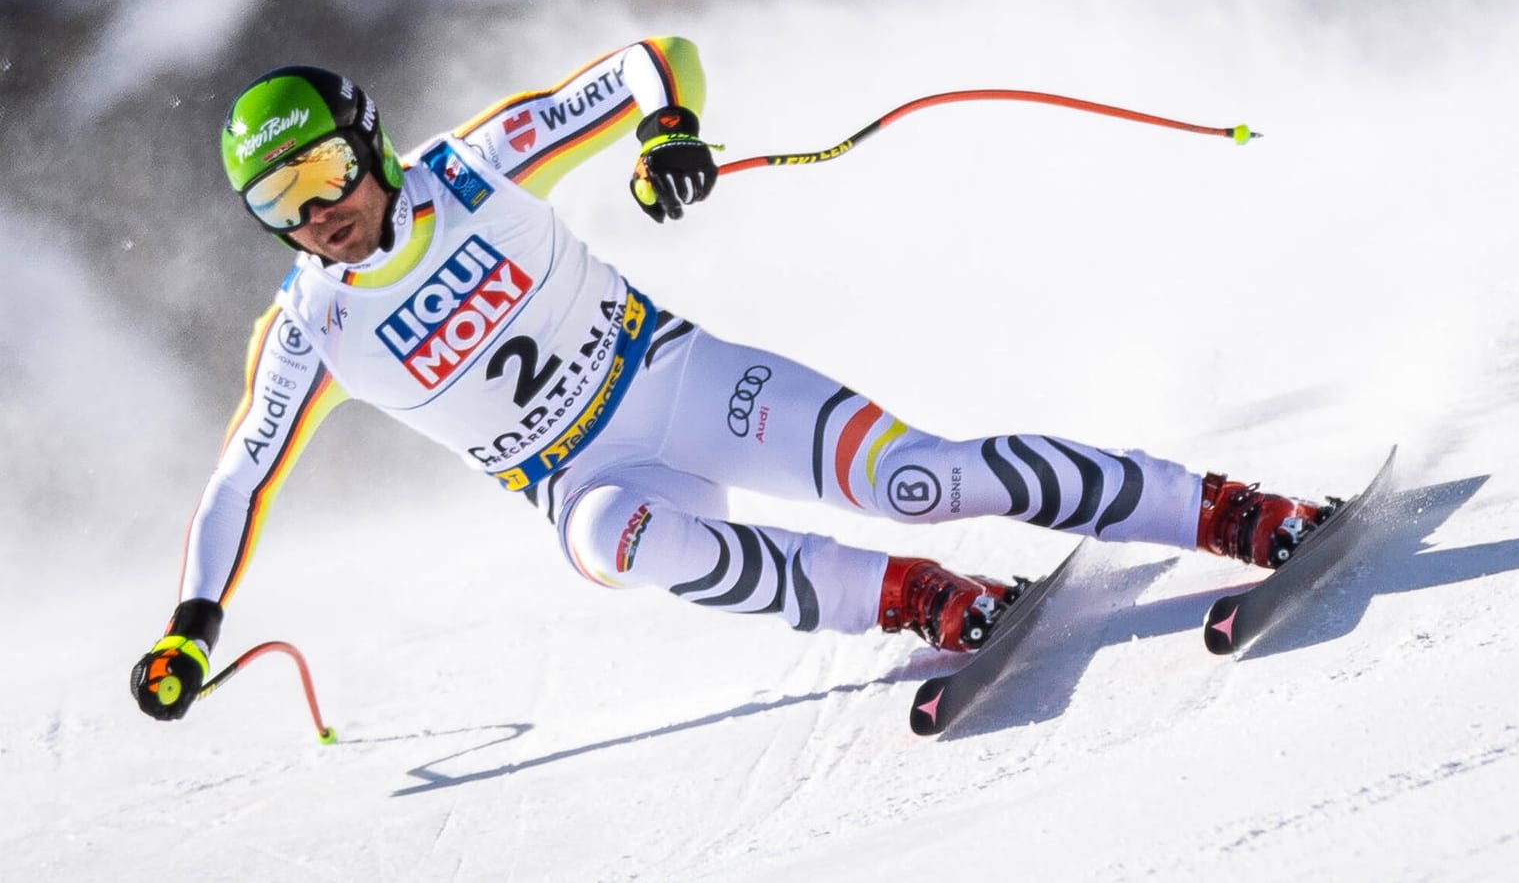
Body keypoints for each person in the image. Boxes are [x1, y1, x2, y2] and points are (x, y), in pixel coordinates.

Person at [131, 37, 1328, 721]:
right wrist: (194, 629)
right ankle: (919, 601)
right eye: (280, 205)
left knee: (922, 478)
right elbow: (241, 481)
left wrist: (668, 136)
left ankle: (1231, 512)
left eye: (327, 172)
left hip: (681, 378)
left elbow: (656, 60)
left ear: (369, 139)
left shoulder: (476, 167)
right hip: (585, 474)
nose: (321, 215)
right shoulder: (309, 331)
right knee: (613, 538)